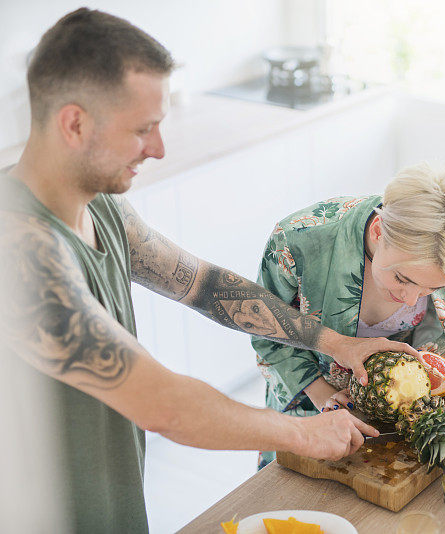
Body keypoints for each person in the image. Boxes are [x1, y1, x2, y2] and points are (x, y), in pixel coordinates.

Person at [0, 9, 417, 533]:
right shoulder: (17, 250)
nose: (159, 148)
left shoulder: (100, 205)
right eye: (142, 129)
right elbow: (161, 405)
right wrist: (301, 433)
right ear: (74, 123)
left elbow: (204, 285)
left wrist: (339, 344)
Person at [252, 161, 445, 467]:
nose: (410, 299)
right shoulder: (296, 243)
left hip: (407, 418)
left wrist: (443, 368)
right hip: (310, 414)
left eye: (429, 288)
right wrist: (324, 394)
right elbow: (264, 332)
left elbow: (443, 324)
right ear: (379, 232)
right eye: (402, 279)